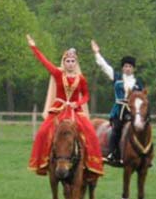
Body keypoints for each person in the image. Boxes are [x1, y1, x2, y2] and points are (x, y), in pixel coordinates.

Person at [27, 36, 104, 178]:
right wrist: (34, 47)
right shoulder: (57, 74)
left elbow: (86, 96)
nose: (70, 63)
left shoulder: (81, 79)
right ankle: (45, 161)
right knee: (43, 131)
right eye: (67, 61)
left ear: (76, 63)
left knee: (90, 133)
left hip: (75, 110)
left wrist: (78, 103)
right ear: (64, 62)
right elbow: (44, 62)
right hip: (59, 108)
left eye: (72, 61)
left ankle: (88, 164)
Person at [91, 40, 144, 165]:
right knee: (117, 130)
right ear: (122, 67)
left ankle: (143, 154)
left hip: (132, 111)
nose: (127, 69)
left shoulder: (138, 82)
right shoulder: (117, 77)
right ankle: (112, 153)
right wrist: (97, 53)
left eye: (130, 67)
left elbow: (141, 98)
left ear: (133, 69)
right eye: (125, 66)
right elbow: (104, 66)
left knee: (142, 129)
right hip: (119, 110)